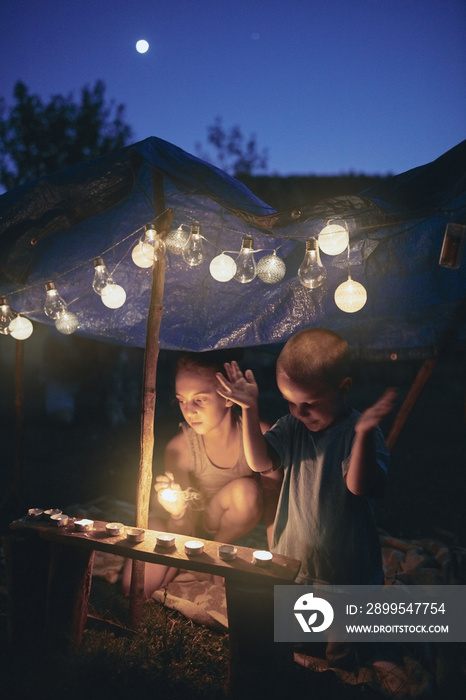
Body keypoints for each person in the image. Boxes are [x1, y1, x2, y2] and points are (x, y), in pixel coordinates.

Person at [216, 328, 396, 588]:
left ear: (343, 388)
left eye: (310, 403)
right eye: (290, 402)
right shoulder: (292, 426)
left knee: (340, 629)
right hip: (295, 567)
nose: (299, 412)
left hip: (346, 574)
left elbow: (359, 487)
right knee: (294, 627)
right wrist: (249, 408)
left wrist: (363, 436)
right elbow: (260, 463)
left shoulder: (358, 431)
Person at [121, 350, 280, 597]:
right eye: (181, 400)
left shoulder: (257, 434)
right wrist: (177, 511)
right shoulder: (180, 449)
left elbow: (272, 497)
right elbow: (183, 526)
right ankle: (195, 559)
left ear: (228, 398)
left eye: (200, 399)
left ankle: (215, 549)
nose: (189, 410)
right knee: (134, 589)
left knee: (245, 492)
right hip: (188, 527)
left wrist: (275, 552)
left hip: (226, 524)